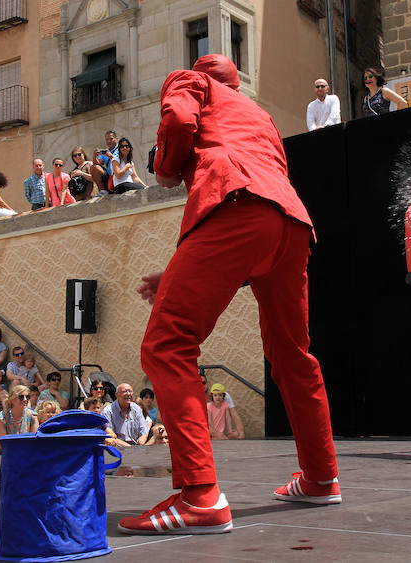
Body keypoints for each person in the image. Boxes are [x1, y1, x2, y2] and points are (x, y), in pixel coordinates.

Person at [121, 54, 340, 535]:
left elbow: (179, 119)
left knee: (167, 343)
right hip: (290, 223)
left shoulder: (190, 82)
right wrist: (177, 273)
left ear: (201, 75)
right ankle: (322, 477)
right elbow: (258, 232)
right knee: (292, 356)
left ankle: (200, 496)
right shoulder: (258, 114)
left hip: (234, 201)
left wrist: (166, 165)